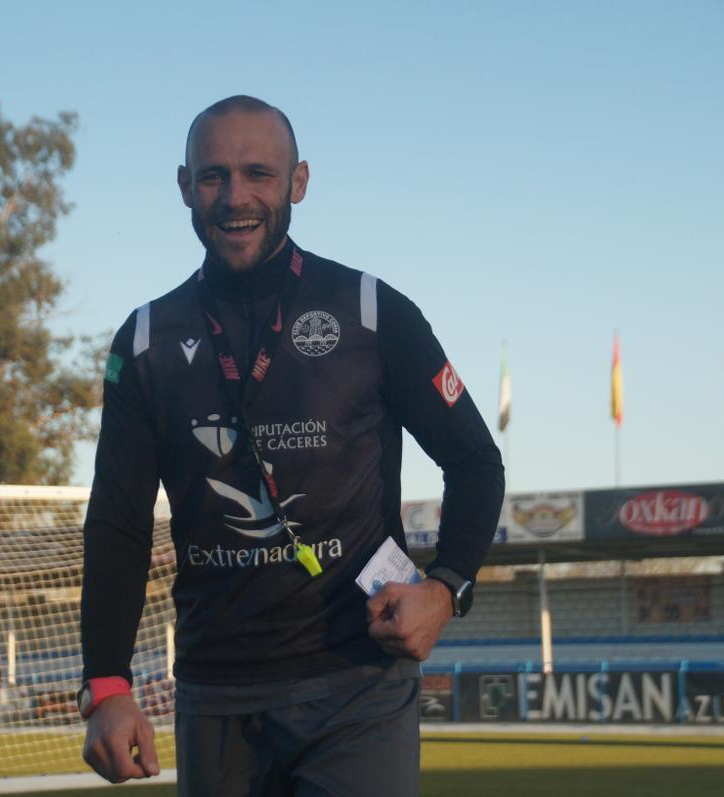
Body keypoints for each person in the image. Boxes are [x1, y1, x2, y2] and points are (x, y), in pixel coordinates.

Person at [79, 95, 504, 795]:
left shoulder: (371, 311)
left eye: (259, 174)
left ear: (298, 182)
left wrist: (445, 585)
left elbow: (475, 461)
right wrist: (106, 683)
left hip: (356, 685)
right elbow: (119, 522)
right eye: (213, 175)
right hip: (215, 691)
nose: (235, 196)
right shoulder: (146, 339)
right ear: (184, 185)